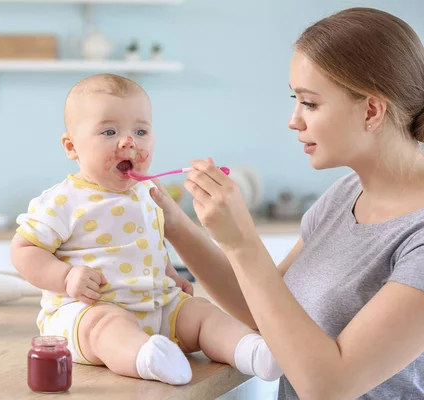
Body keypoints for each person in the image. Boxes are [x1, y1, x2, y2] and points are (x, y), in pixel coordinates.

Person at [148, 6, 424, 399]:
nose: (293, 120)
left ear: (372, 110)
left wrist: (242, 242)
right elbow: (265, 311)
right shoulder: (345, 195)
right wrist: (173, 222)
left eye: (309, 103)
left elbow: (329, 385)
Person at [10, 73, 282, 386]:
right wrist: (65, 277)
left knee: (200, 312)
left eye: (141, 131)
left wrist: (170, 274)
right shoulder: (63, 200)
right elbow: (23, 250)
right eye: (109, 131)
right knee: (105, 326)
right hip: (88, 309)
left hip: (157, 303)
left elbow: (149, 243)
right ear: (72, 146)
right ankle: (147, 359)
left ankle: (251, 351)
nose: (129, 142)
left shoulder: (148, 192)